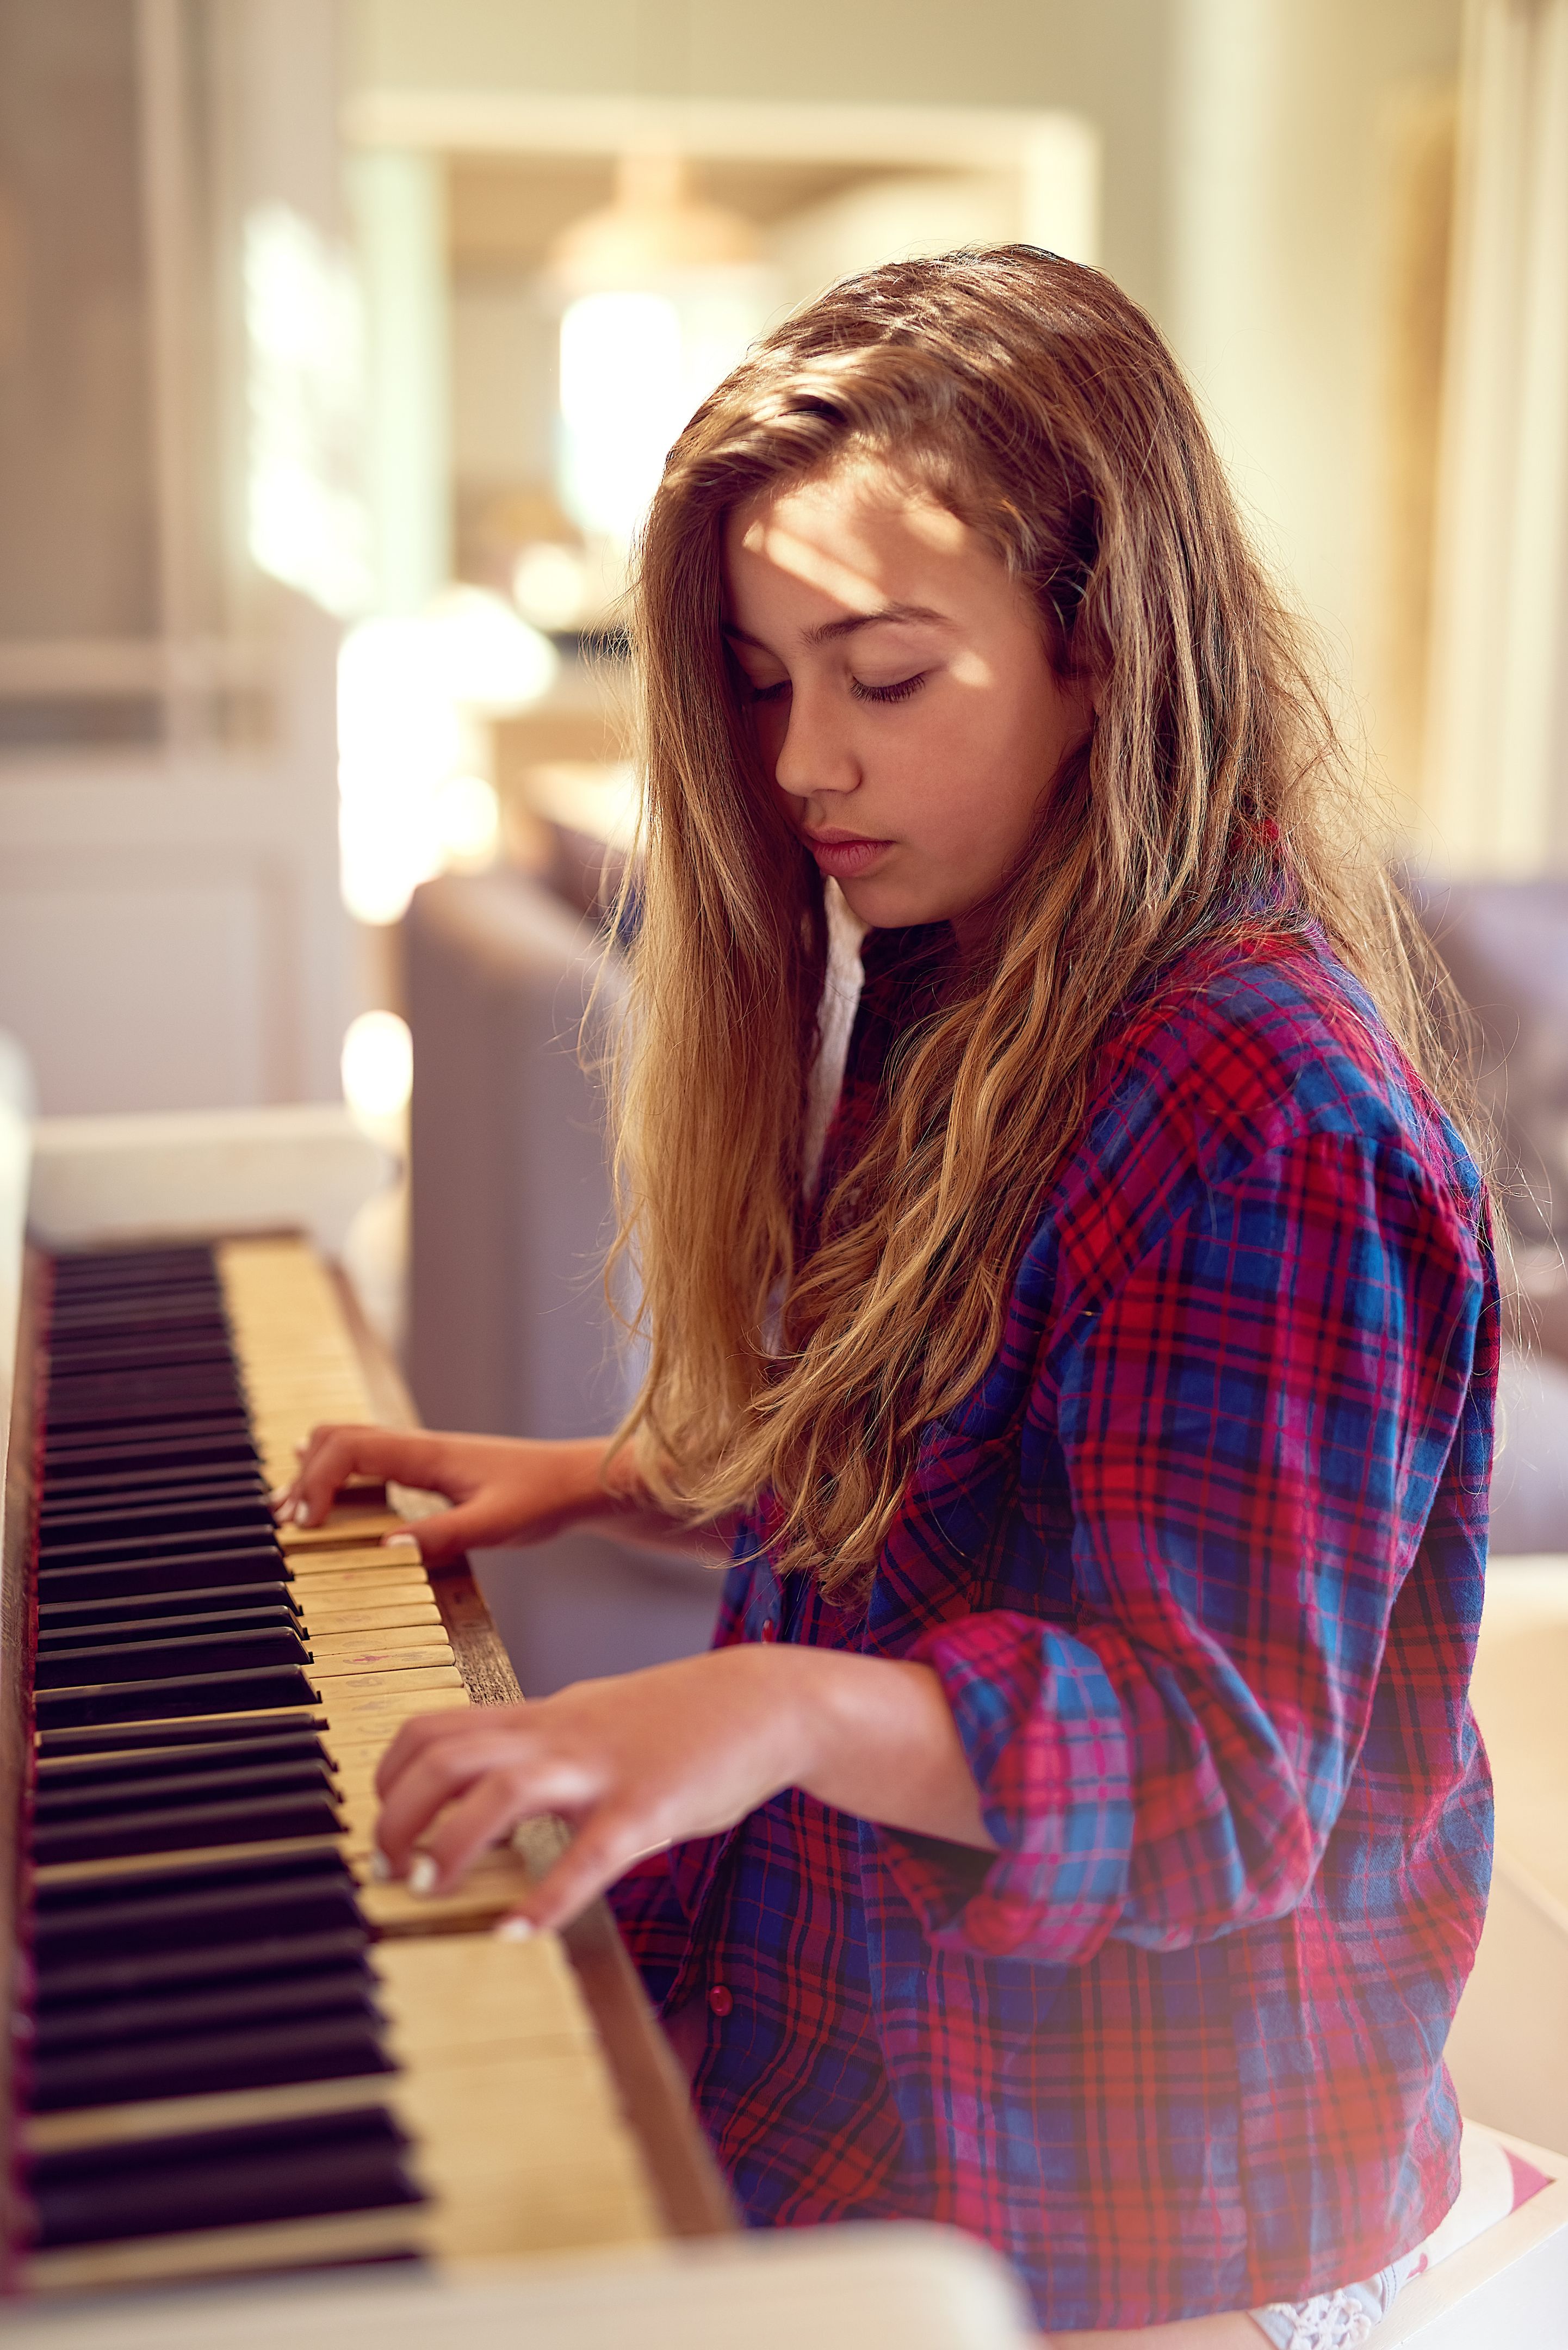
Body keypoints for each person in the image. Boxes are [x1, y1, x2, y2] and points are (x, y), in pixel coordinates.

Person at [277, 250, 1496, 2345]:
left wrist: (773, 1707)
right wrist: (620, 1479)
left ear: (1100, 650)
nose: (797, 767)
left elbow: (1215, 1778)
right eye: (762, 682)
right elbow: (975, 1472)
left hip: (1132, 2206)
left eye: (884, 677)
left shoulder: (1272, 1114)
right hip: (858, 2074)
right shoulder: (962, 971)